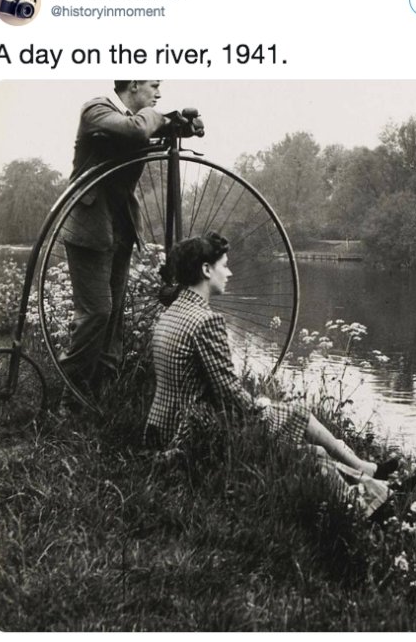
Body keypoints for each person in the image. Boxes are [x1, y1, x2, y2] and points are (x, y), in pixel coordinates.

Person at [144, 232, 398, 512]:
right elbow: (229, 392)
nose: (228, 273)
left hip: (162, 427)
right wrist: (258, 407)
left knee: (310, 443)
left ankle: (373, 489)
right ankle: (366, 502)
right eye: (224, 265)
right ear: (206, 270)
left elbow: (210, 386)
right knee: (304, 431)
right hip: (195, 434)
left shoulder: (172, 312)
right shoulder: (207, 321)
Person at [59, 81, 171, 412]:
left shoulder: (137, 117)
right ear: (133, 83)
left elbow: (149, 124)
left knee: (116, 312)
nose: (158, 94)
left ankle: (104, 388)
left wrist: (183, 122)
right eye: (154, 85)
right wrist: (159, 117)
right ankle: (71, 394)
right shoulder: (96, 110)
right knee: (96, 312)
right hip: (89, 226)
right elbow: (137, 130)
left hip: (120, 226)